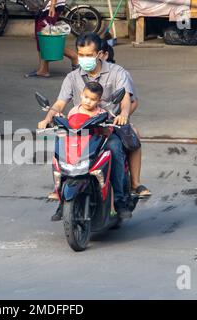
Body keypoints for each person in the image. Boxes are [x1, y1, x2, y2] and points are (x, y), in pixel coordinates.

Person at [39, 32, 133, 220]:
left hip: (105, 130)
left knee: (114, 149)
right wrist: (47, 117)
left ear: (99, 54)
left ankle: (121, 201)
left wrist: (123, 115)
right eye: (81, 55)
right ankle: (61, 200)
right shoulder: (72, 77)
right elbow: (59, 103)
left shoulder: (117, 72)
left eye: (89, 55)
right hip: (78, 131)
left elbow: (125, 99)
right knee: (59, 149)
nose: (84, 59)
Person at [101, 36, 151, 198]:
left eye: (92, 54)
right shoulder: (79, 74)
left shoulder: (120, 75)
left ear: (104, 55)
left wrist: (122, 116)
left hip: (113, 122)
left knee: (133, 136)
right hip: (88, 123)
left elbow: (133, 102)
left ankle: (135, 182)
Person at [25, 0, 78, 78]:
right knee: (40, 37)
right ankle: (43, 69)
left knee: (46, 38)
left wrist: (53, 4)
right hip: (44, 6)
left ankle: (75, 57)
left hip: (51, 5)